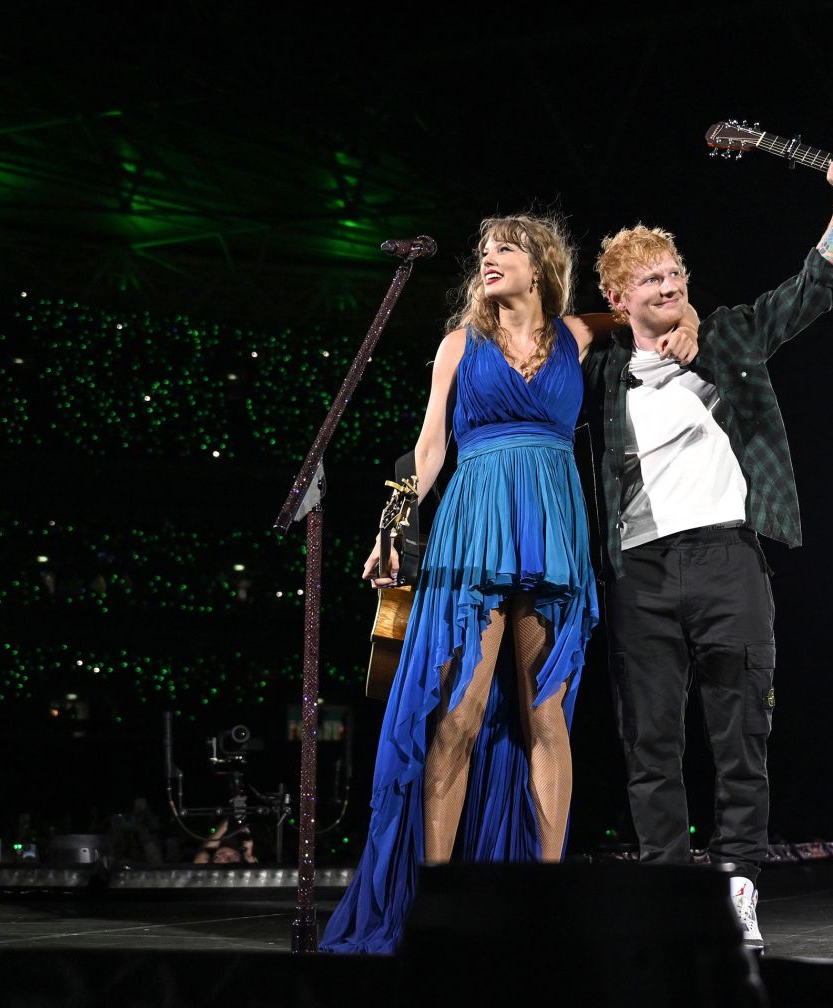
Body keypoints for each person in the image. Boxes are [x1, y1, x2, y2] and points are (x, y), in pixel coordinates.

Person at [321, 211, 696, 954]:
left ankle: (544, 899)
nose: (489, 259)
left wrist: (685, 319)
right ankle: (437, 904)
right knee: (456, 719)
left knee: (545, 718)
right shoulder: (458, 347)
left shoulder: (580, 336)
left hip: (553, 530)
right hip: (474, 523)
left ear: (540, 265)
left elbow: (652, 303)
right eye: (486, 251)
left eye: (507, 250)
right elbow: (429, 450)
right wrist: (391, 530)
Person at [580, 150, 833, 948]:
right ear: (618, 298)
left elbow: (814, 290)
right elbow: (545, 346)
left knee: (740, 733)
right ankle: (670, 897)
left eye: (676, 275)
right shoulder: (603, 372)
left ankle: (738, 887)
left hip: (728, 559)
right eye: (652, 282)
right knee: (651, 743)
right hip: (641, 570)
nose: (671, 288)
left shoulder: (730, 336)